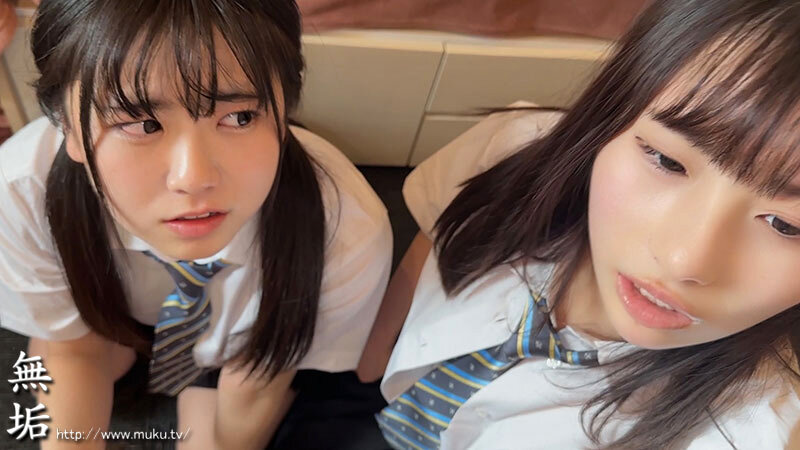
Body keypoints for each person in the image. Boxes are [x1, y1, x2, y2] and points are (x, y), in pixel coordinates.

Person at [357, 0, 800, 448]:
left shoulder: (751, 431)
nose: (682, 259)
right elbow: (435, 230)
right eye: (667, 161)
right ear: (608, 118)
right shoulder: (511, 150)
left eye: (786, 225)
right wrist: (370, 360)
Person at [0, 1, 392, 448]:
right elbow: (71, 347)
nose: (194, 178)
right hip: (104, 320)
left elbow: (260, 380)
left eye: (240, 117)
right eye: (142, 123)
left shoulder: (345, 231)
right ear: (67, 126)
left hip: (240, 349)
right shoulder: (20, 192)